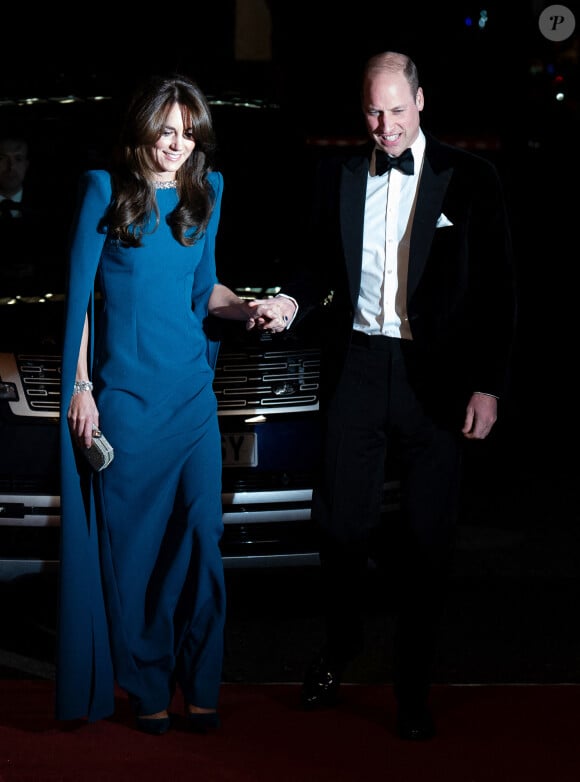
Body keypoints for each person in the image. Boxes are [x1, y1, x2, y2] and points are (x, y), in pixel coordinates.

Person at [272, 51, 517, 740]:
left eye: (397, 111)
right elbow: (314, 264)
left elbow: (500, 290)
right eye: (373, 113)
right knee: (340, 526)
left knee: (427, 540)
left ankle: (413, 686)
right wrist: (290, 302)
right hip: (357, 367)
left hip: (436, 379)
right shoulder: (341, 173)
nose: (384, 127)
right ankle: (344, 642)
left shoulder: (472, 179)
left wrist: (489, 385)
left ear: (421, 101)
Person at [56, 72, 289, 734]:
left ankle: (202, 680)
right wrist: (81, 388)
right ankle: (149, 682)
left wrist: (248, 309)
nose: (176, 146)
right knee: (135, 558)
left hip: (191, 403)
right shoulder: (105, 191)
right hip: (126, 406)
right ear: (144, 129)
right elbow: (79, 303)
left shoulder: (207, 193)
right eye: (166, 132)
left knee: (201, 545)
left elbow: (206, 288)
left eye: (188, 135)